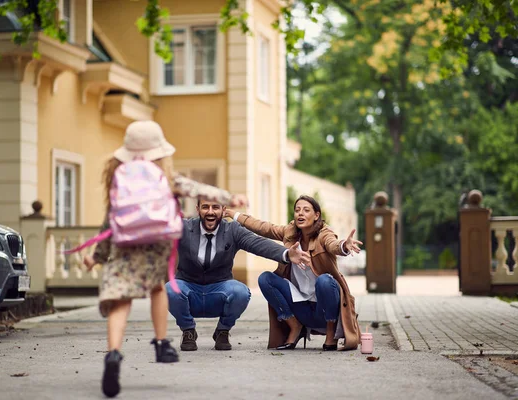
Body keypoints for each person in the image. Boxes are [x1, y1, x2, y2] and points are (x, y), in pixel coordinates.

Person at [83, 121, 247, 398]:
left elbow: (109, 221)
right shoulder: (166, 177)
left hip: (124, 247)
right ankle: (161, 343)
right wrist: (230, 198)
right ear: (159, 152)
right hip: (156, 245)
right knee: (160, 288)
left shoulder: (118, 175)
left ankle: (113, 354)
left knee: (120, 303)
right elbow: (198, 189)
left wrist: (97, 255)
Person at [166, 199, 311, 352]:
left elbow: (258, 243)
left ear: (223, 210)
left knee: (240, 292)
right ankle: (188, 331)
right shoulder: (184, 227)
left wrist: (287, 254)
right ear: (197, 209)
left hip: (219, 290)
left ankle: (223, 331)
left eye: (215, 207)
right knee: (170, 290)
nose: (210, 212)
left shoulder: (232, 230)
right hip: (189, 288)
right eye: (205, 207)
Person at [225, 195, 362, 351]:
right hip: (300, 307)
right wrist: (233, 214)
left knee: (324, 281)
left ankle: (330, 332)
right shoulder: (289, 232)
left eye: (306, 210)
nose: (300, 214)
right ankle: (294, 325)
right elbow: (262, 227)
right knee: (266, 279)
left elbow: (333, 244)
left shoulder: (324, 234)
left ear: (316, 215)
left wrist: (344, 245)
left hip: (323, 309)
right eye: (297, 210)